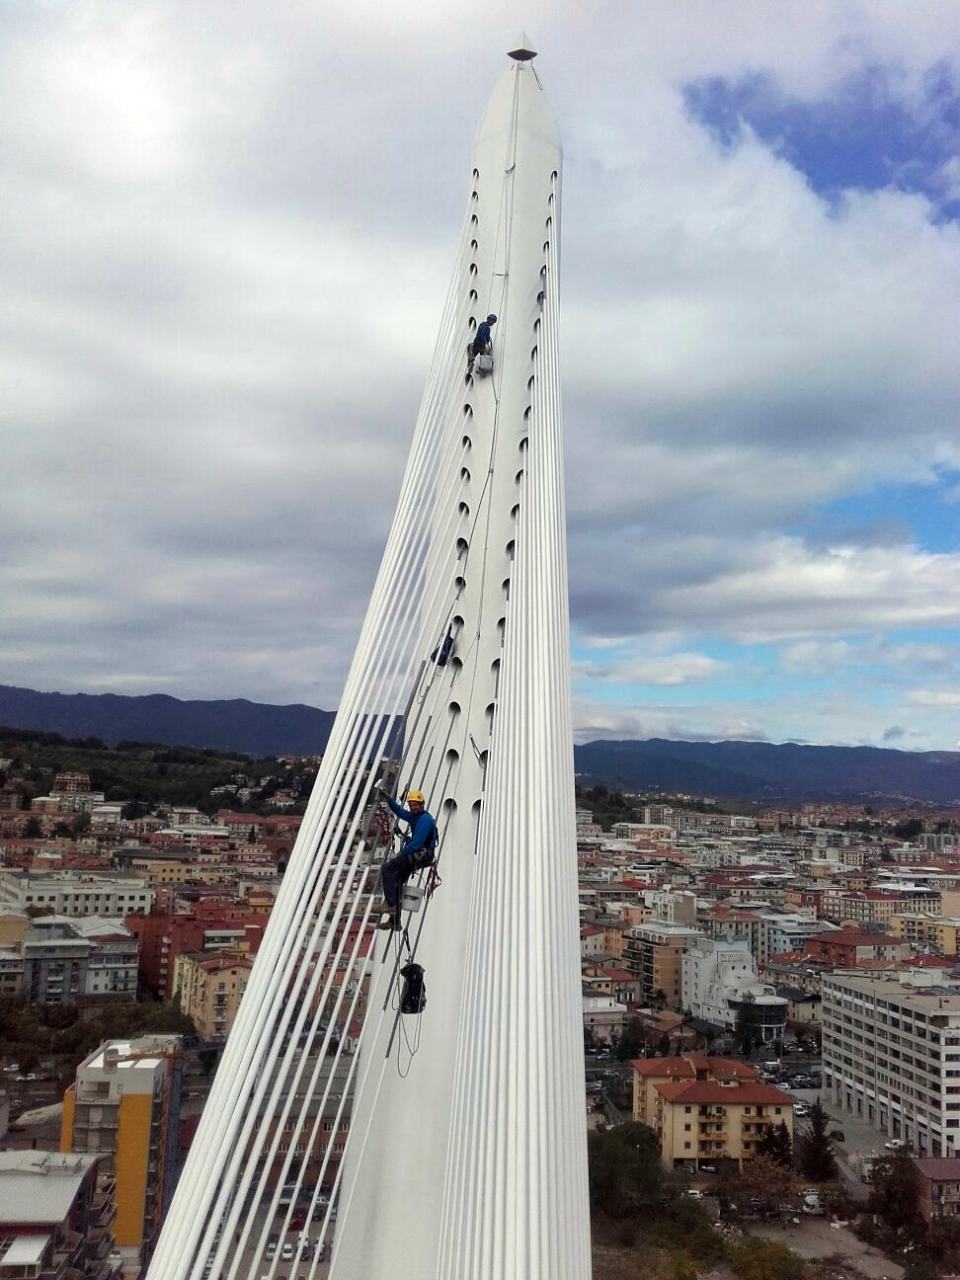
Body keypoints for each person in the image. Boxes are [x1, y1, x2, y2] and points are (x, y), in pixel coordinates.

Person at [376, 789, 437, 929]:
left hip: (421, 855)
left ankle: (390, 905)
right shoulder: (415, 817)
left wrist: (402, 853)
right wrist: (388, 799)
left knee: (388, 868)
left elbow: (417, 843)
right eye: (411, 805)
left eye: (416, 804)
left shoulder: (425, 819)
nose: (413, 807)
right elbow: (400, 812)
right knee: (397, 881)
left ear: (422, 804)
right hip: (419, 855)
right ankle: (395, 921)